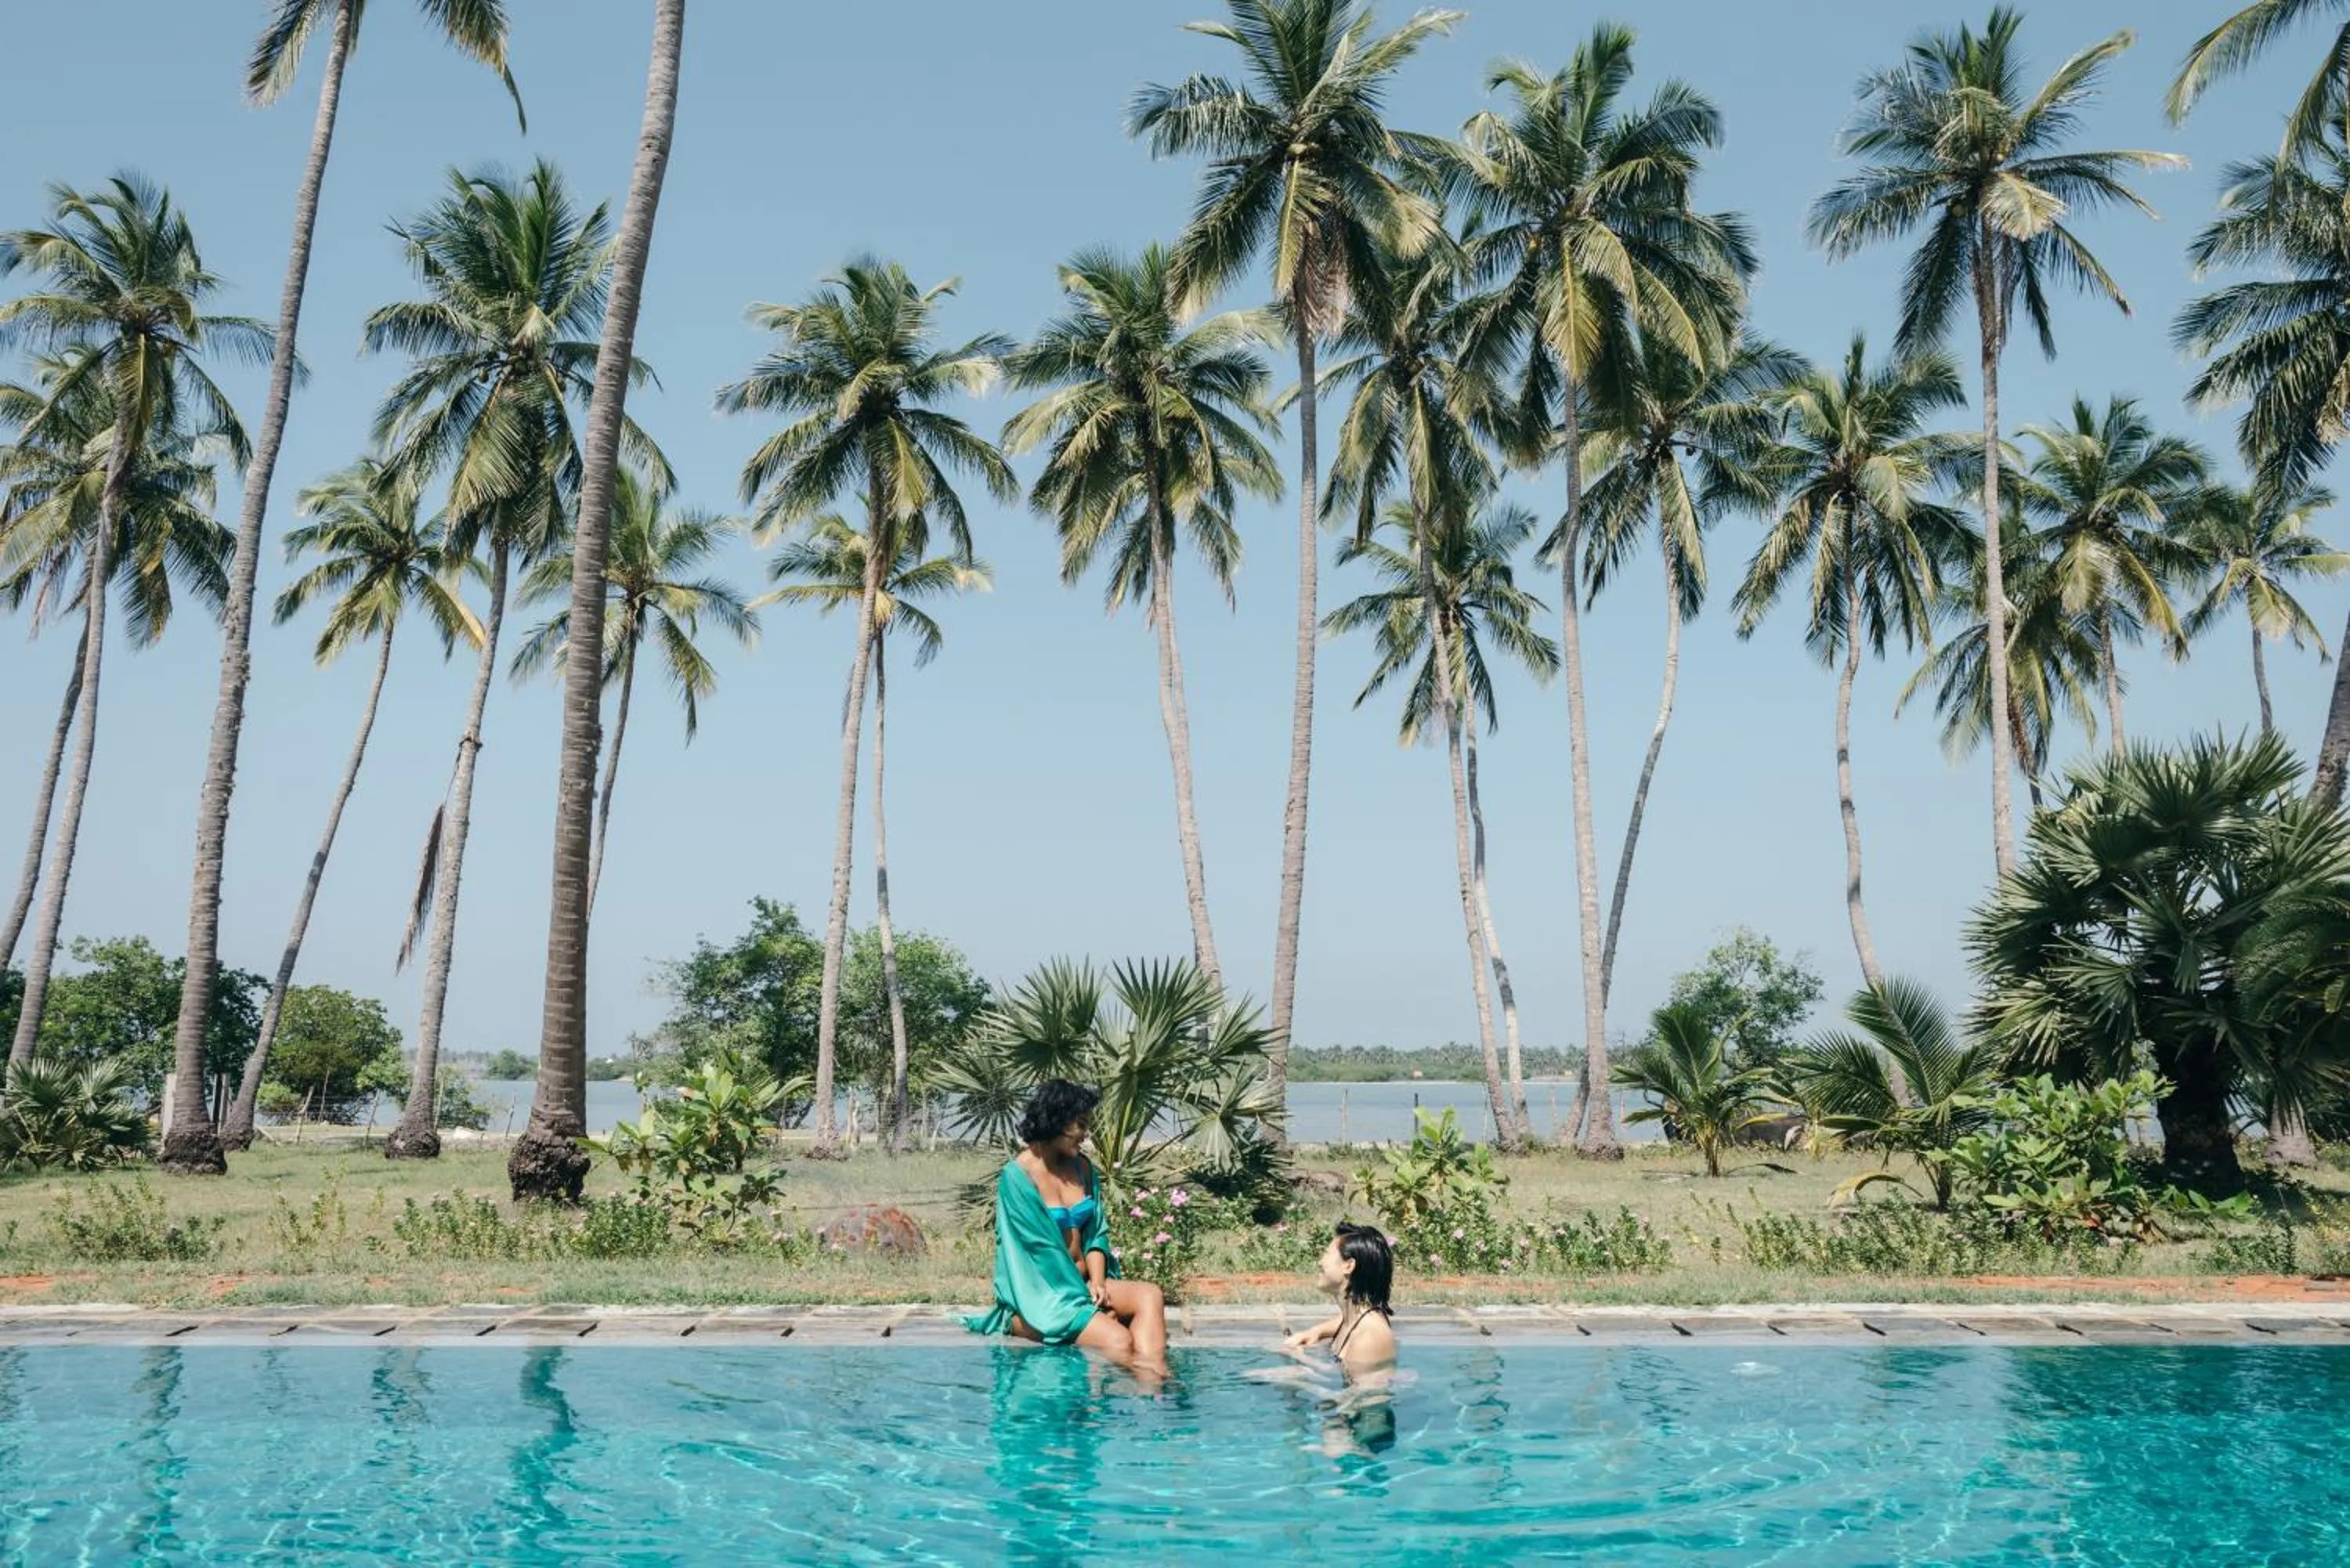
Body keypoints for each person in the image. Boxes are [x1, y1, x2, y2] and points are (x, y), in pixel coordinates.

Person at [964, 1080, 1169, 1369]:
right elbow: (1040, 1252)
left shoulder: (1082, 1168)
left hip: (1086, 1285)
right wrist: (1087, 1308)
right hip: (1044, 1293)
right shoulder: (1019, 1178)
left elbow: (1096, 1233)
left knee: (1150, 1295)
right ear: (1056, 1120)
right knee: (1119, 1340)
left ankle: (1156, 1391)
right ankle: (1020, 1323)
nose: (1085, 1135)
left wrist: (1097, 1282)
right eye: (1080, 1125)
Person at [1283, 1223, 1397, 1373]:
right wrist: (1315, 1332)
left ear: (1348, 1266)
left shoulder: (1369, 1338)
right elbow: (1342, 1322)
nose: (1320, 1261)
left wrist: (1302, 1364)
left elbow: (1365, 1396)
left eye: (1326, 1254)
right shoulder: (1356, 1318)